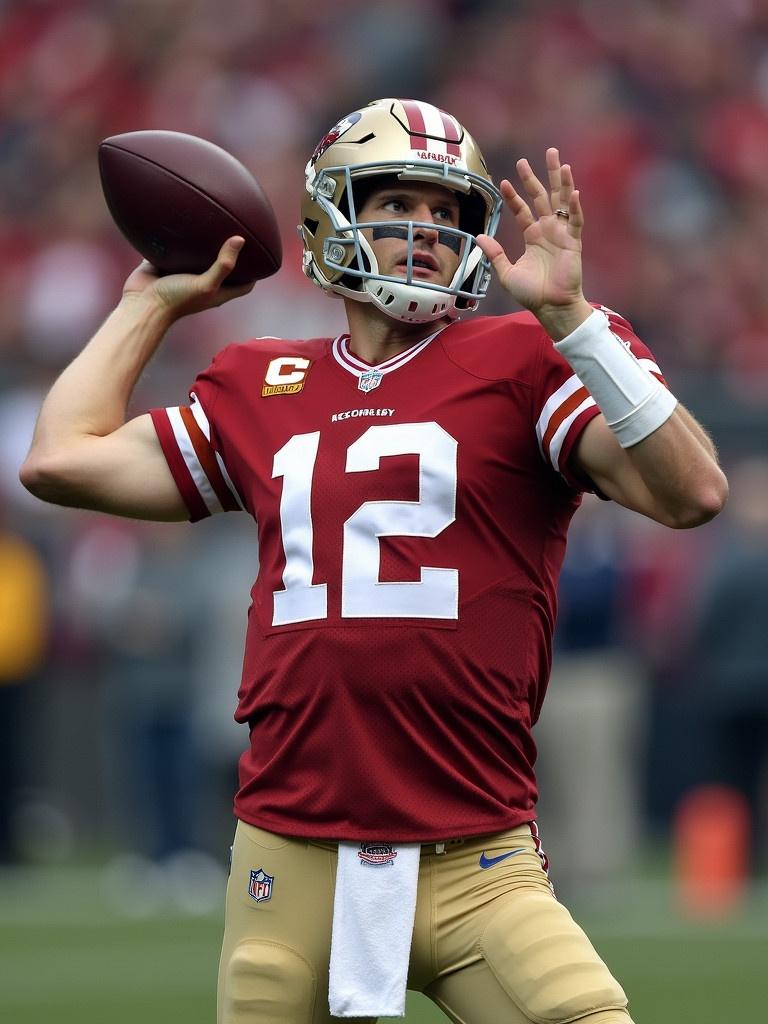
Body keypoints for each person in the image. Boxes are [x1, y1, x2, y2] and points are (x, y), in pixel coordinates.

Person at [20, 98, 727, 1023]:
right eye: (398, 200)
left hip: (481, 863)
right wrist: (149, 303)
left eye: (448, 213)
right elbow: (59, 458)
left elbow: (692, 493)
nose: (426, 231)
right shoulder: (260, 381)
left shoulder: (527, 357)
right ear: (329, 214)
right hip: (291, 855)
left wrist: (576, 321)